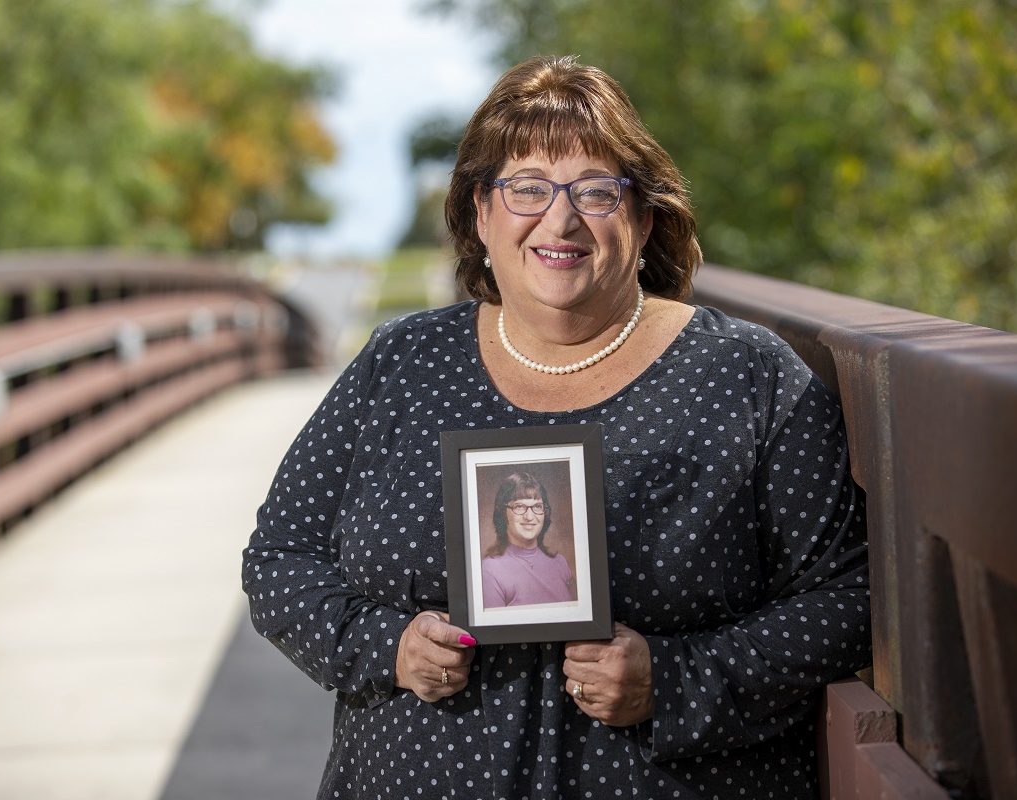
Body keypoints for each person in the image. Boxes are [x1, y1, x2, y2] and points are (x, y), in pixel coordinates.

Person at [242, 54, 869, 799]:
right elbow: (280, 558)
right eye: (527, 188)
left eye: (597, 192)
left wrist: (677, 680)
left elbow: (848, 594)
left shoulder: (743, 376)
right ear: (480, 213)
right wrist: (390, 647)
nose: (560, 219)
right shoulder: (401, 365)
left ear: (644, 218)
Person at [481, 471, 577, 608]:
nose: (529, 517)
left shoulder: (560, 563)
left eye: (537, 506)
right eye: (519, 507)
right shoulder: (489, 571)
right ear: (503, 513)